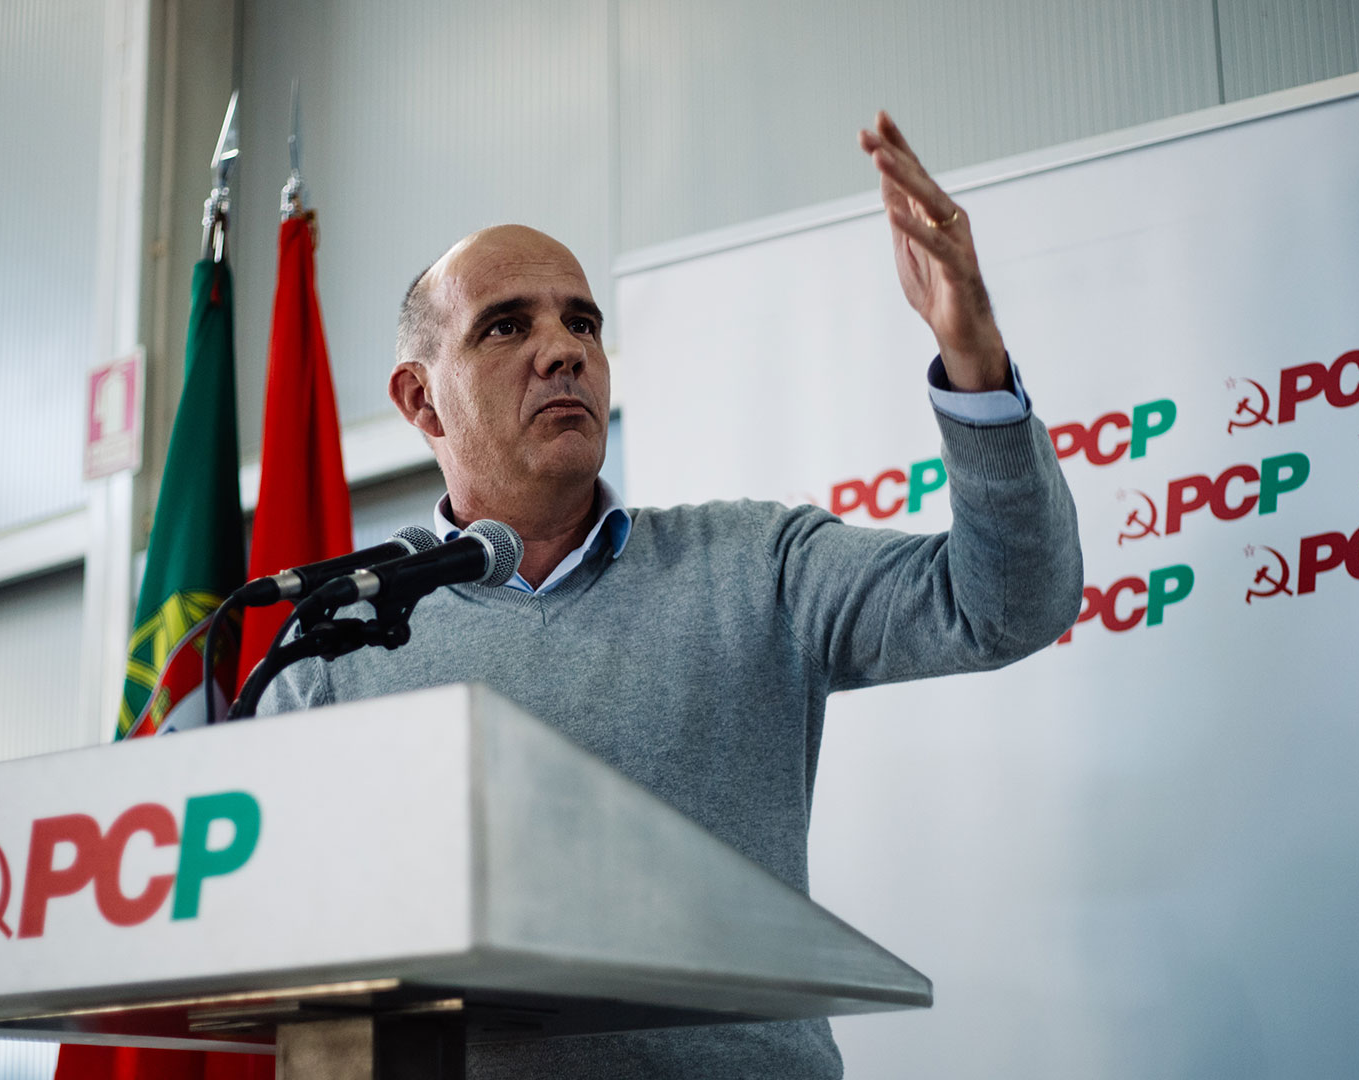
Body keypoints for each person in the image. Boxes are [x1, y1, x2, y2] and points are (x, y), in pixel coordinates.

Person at [258, 112, 1083, 1079]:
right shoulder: (338, 639)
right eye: (507, 326)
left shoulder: (756, 564)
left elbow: (1007, 602)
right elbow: (283, 937)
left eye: (582, 322)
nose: (563, 350)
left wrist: (973, 357)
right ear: (419, 399)